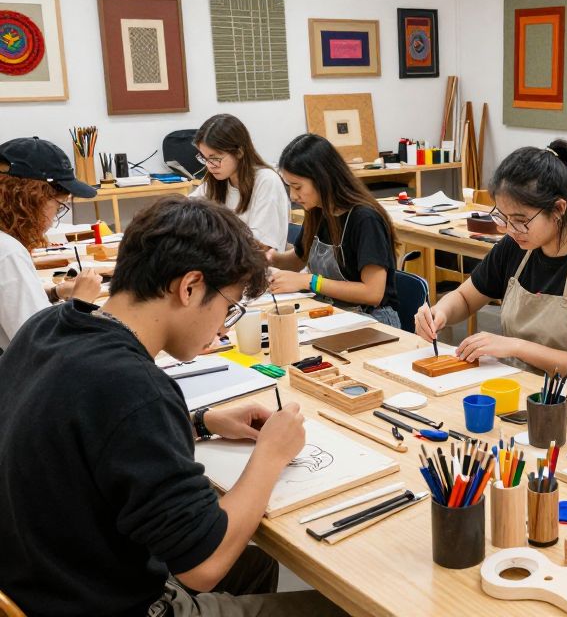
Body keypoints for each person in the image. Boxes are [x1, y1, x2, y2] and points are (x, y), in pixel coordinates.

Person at [0, 196, 343, 616]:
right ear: (190, 286)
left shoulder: (49, 325)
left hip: (38, 578)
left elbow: (89, 426)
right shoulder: (136, 386)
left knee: (255, 564)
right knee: (342, 608)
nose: (221, 328)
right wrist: (271, 454)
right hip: (101, 600)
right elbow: (205, 565)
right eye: (228, 308)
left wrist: (199, 422)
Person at [415, 140, 567, 401]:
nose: (510, 230)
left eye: (521, 221)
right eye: (503, 218)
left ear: (558, 209)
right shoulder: (515, 247)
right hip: (519, 389)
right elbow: (464, 297)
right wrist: (439, 312)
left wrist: (518, 347)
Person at [268, 133, 400, 327]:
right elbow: (298, 259)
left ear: (322, 178)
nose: (293, 196)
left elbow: (373, 293)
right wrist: (270, 258)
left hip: (374, 319)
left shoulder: (365, 219)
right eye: (289, 187)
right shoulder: (318, 210)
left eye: (297, 187)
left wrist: (310, 282)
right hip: (335, 312)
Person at [0, 137, 102, 352]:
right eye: (59, 206)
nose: (55, 217)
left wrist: (54, 292)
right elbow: (44, 345)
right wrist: (80, 303)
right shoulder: (7, 251)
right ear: (30, 198)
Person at [191, 114, 290, 251]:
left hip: (257, 266)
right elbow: (186, 212)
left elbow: (262, 246)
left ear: (239, 152)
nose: (209, 165)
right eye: (204, 158)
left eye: (215, 158)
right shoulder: (216, 182)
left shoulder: (266, 181)